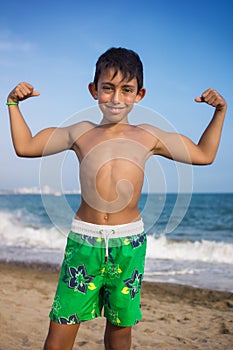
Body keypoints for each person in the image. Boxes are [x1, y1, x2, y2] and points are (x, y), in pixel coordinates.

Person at [6, 47, 227, 350]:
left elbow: (204, 154)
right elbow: (26, 146)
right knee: (60, 329)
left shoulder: (147, 136)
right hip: (84, 243)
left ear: (140, 94)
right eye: (107, 88)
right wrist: (13, 104)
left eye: (126, 90)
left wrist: (219, 112)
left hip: (128, 244)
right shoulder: (80, 132)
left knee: (120, 332)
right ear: (93, 90)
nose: (116, 98)